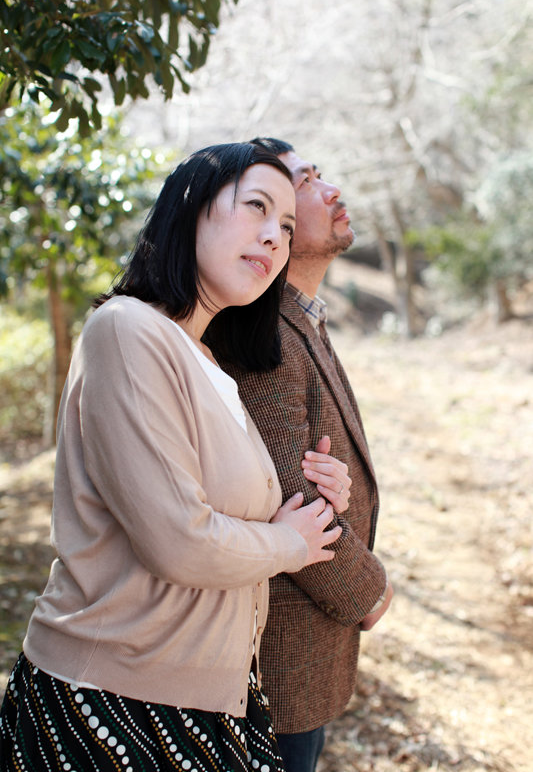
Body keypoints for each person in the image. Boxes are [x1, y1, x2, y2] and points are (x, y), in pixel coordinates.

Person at [0, 142, 352, 772]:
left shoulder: (208, 361)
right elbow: (178, 539)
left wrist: (314, 497)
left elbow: (225, 507)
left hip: (208, 700)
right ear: (190, 207)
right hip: (111, 703)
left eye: (286, 226)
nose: (274, 238)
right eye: (256, 208)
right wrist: (290, 543)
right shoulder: (127, 330)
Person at [213, 138, 394, 772]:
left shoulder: (301, 319)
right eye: (307, 181)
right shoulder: (260, 332)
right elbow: (290, 496)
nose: (331, 190)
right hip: (276, 668)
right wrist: (369, 591)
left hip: (306, 657)